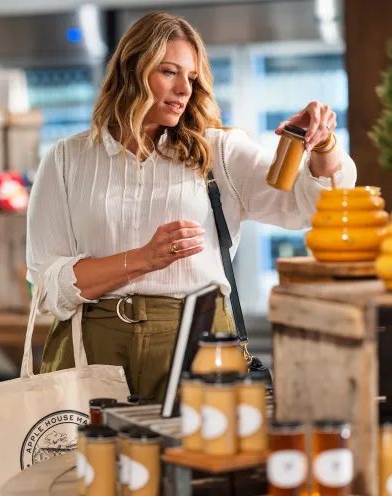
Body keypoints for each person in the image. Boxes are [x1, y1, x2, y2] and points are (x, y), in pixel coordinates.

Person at [26, 12, 357, 402]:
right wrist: (142, 259)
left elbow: (309, 208)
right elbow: (48, 285)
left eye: (192, 78)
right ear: (132, 69)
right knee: (91, 461)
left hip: (195, 342)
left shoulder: (218, 153)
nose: (184, 88)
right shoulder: (66, 159)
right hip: (89, 346)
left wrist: (322, 146)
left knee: (196, 457)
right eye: (169, 72)